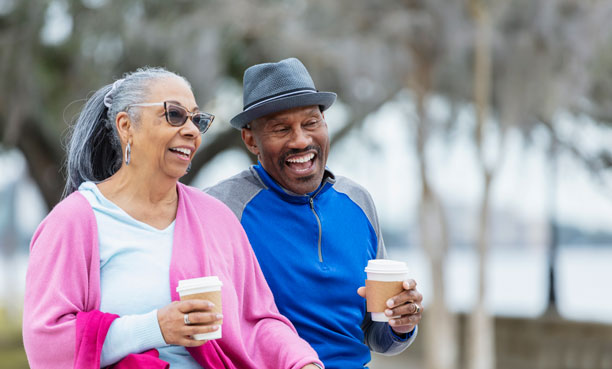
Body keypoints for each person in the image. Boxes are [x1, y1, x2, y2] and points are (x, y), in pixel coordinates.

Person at [22, 67, 323, 369]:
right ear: (126, 126)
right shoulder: (74, 221)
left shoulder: (215, 216)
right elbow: (45, 345)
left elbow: (258, 323)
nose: (192, 130)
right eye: (175, 115)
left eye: (197, 119)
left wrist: (302, 362)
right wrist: (155, 327)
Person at [205, 58, 423, 369]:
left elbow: (375, 335)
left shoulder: (358, 202)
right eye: (281, 128)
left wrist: (401, 324)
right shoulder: (222, 208)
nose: (301, 140)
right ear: (251, 139)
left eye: (311, 123)